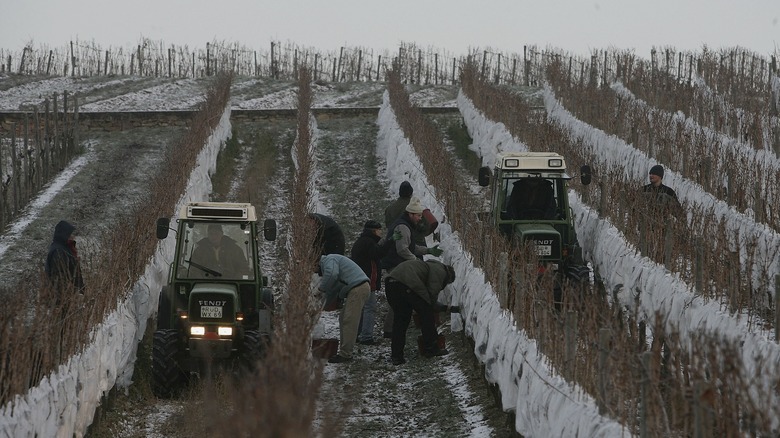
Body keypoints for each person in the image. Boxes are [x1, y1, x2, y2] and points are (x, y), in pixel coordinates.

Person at [380, 196, 443, 338]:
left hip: (398, 264)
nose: (420, 218)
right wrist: (416, 261)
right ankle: (390, 329)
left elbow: (411, 247)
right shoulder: (403, 227)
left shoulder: (407, 225)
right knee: (397, 298)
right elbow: (402, 249)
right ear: (411, 214)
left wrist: (428, 251)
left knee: (399, 298)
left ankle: (393, 327)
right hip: (395, 265)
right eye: (419, 215)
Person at [385, 259, 456, 365]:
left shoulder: (429, 265)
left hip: (391, 283)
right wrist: (442, 308)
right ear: (449, 276)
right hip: (407, 283)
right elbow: (430, 298)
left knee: (400, 321)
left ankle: (396, 356)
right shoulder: (441, 272)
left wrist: (443, 308)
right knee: (427, 315)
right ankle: (431, 348)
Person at [315, 253, 371, 363]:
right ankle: (344, 351)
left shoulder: (328, 260)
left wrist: (321, 289)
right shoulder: (333, 261)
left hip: (358, 288)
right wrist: (321, 307)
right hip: (357, 288)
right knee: (343, 318)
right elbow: (333, 290)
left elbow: (332, 275)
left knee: (349, 320)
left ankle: (346, 354)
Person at [350, 220, 393, 345]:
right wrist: (390, 242)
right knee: (370, 308)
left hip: (359, 279)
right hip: (367, 280)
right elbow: (378, 253)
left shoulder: (362, 242)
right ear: (373, 231)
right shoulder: (369, 243)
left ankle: (356, 334)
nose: (381, 232)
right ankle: (367, 336)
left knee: (362, 308)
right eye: (379, 230)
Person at [45, 220, 85, 302]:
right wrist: (74, 294)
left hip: (69, 297)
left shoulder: (65, 248)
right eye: (70, 234)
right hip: (64, 299)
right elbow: (59, 278)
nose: (72, 237)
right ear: (64, 235)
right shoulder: (59, 251)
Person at [384, 181, 428, 247]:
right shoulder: (415, 209)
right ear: (411, 193)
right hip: (414, 245)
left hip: (395, 244)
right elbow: (424, 227)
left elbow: (388, 225)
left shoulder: (389, 209)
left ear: (400, 193)